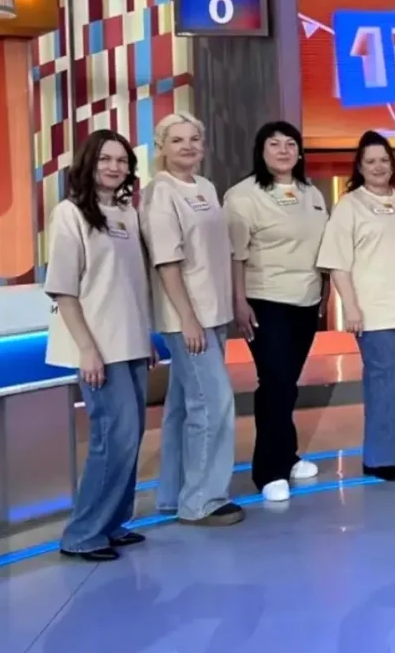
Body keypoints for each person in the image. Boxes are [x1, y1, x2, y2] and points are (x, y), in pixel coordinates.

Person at [46, 130, 155, 561]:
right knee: (114, 437)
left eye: (122, 161)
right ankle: (83, 532)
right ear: (89, 163)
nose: (114, 167)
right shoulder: (69, 214)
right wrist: (87, 349)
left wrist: (144, 337)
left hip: (130, 342)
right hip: (97, 347)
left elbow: (132, 285)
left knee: (131, 435)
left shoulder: (127, 214)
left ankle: (111, 523)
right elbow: (64, 290)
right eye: (106, 159)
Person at [140, 113, 243, 526]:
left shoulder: (205, 187)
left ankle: (173, 493)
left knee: (183, 407)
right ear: (161, 147)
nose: (187, 146)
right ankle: (202, 500)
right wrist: (187, 318)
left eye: (194, 139)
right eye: (177, 140)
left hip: (214, 313)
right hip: (188, 318)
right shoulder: (159, 193)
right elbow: (167, 263)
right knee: (213, 404)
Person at [224, 121, 327, 502]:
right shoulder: (242, 196)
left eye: (290, 144)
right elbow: (235, 255)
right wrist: (239, 301)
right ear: (261, 151)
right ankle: (268, 470)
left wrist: (324, 291)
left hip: (306, 299)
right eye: (274, 144)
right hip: (265, 300)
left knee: (288, 382)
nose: (284, 151)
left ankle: (288, 454)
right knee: (275, 382)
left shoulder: (311, 193)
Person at [318, 131, 395, 480]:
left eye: (383, 160)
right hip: (371, 312)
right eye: (370, 162)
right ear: (360, 167)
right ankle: (380, 459)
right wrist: (350, 307)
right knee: (384, 382)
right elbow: (337, 263)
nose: (378, 167)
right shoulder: (349, 205)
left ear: (392, 164)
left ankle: (394, 450)